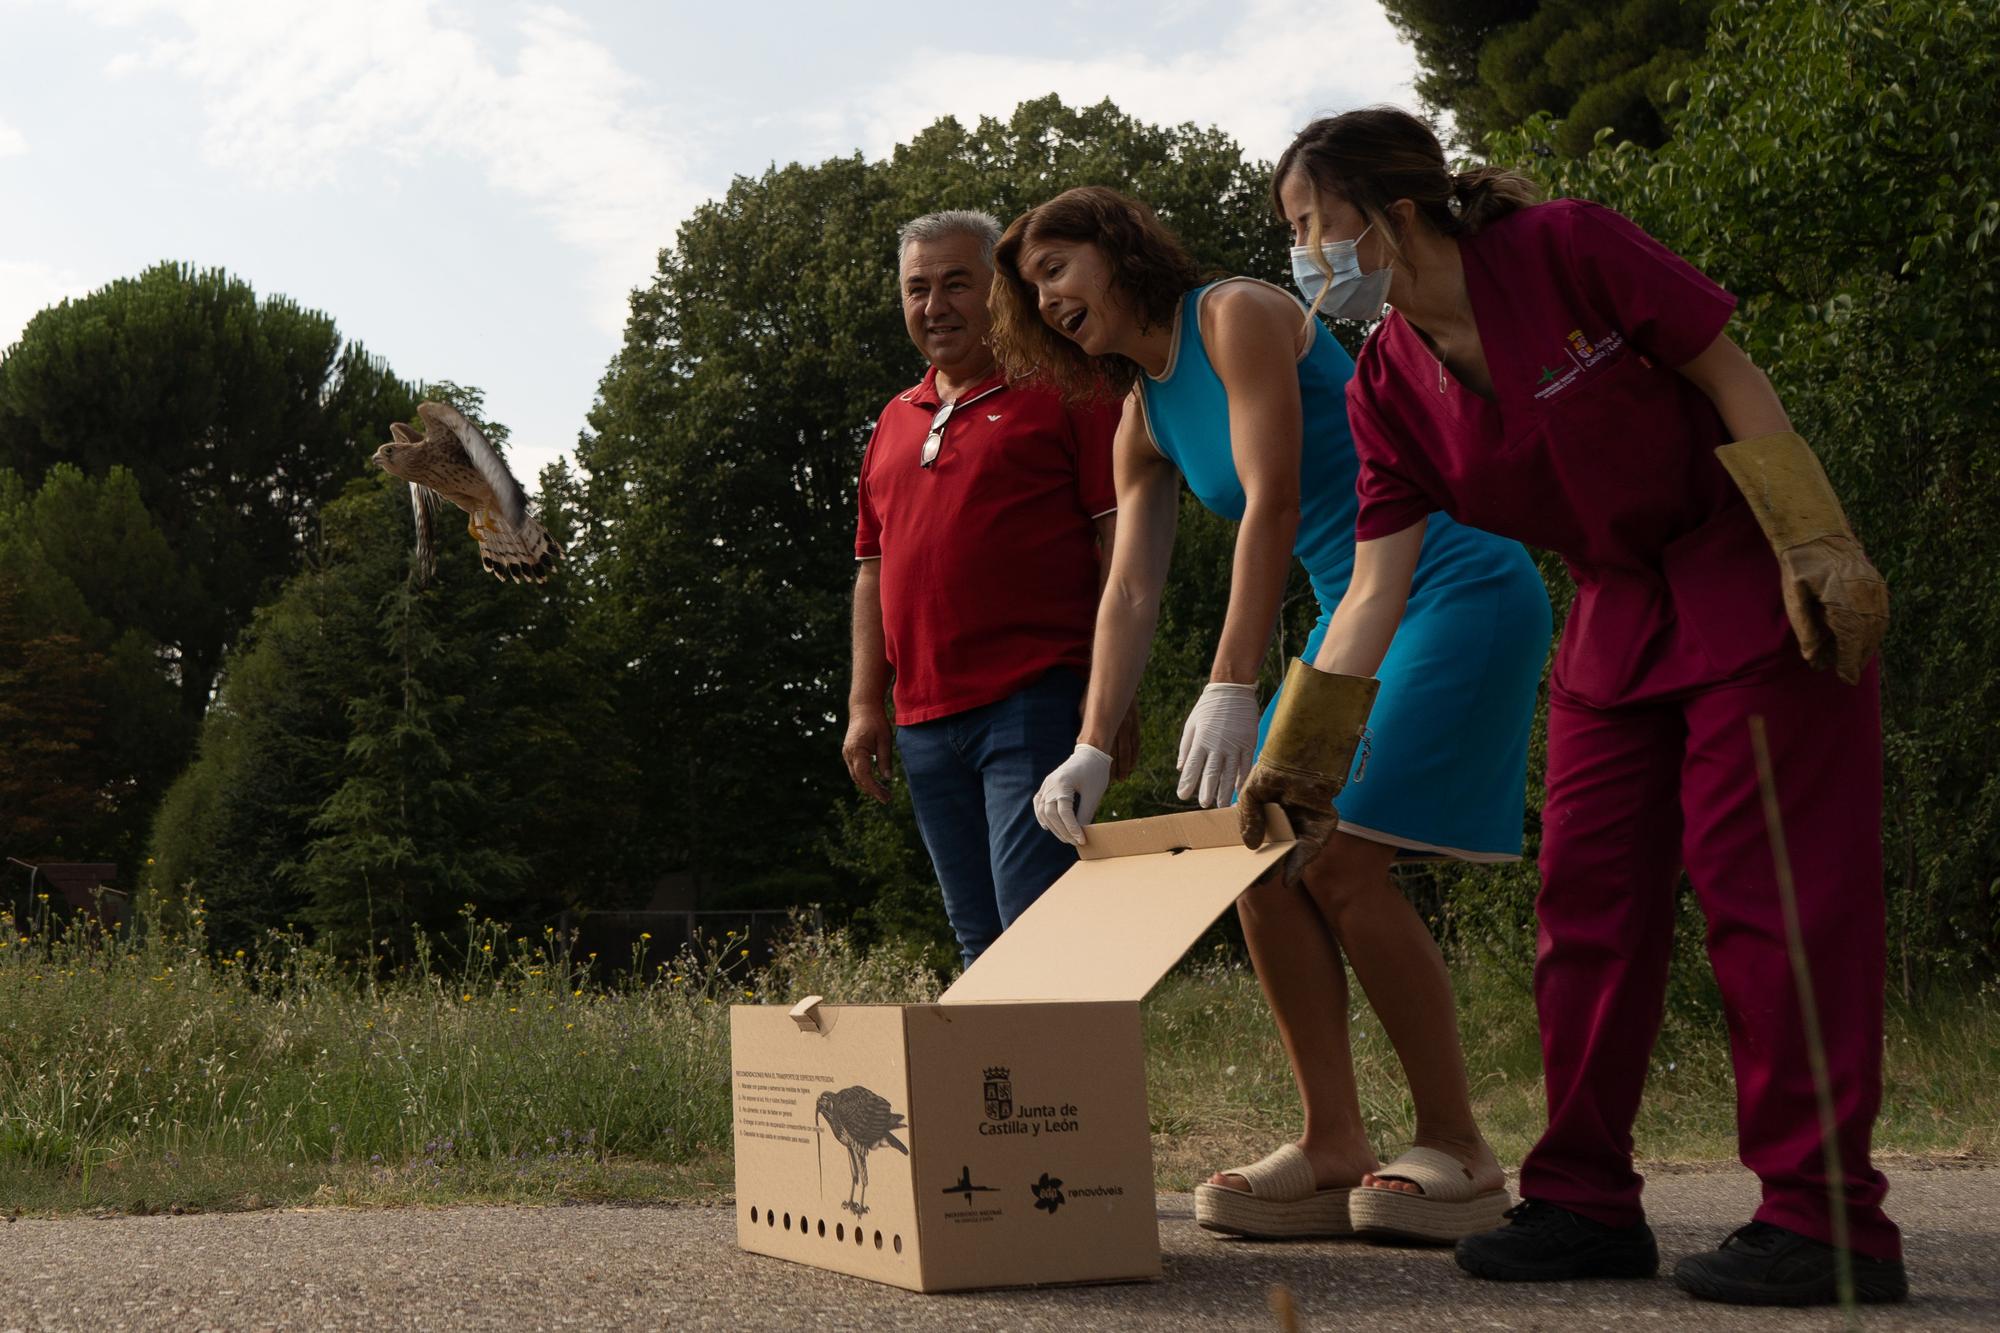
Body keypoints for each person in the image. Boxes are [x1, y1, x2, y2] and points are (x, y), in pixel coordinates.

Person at [1240, 107, 1902, 1306]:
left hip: (1744, 582)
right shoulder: (1386, 378)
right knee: (1584, 908)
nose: (1298, 255)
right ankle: (1585, 1199)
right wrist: (1302, 751)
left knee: (1772, 903)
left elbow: (1725, 372)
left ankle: (1823, 1217)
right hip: (1610, 619)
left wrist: (1815, 540)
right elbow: (1374, 583)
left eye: (1304, 224)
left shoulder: (1563, 247)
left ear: (1386, 211)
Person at [987, 186, 1550, 1244]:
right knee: (1254, 854)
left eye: (1056, 266)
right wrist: (1090, 743)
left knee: (1337, 862)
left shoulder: (1231, 313)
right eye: (1029, 289)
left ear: (1116, 249)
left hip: (1453, 587)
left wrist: (1231, 681)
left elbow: (1275, 495)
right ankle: (1332, 1141)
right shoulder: (1140, 418)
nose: (1046, 296)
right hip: (1355, 613)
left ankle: (1460, 1151)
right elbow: (1129, 593)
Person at [845, 209, 1133, 969]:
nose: (934, 306)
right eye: (917, 289)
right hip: (925, 723)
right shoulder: (892, 420)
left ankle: (1070, 1090)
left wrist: (1113, 696)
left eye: (955, 284)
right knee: (978, 935)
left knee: (1036, 923)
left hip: (1033, 704)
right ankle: (1005, 1092)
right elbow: (873, 569)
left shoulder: (1067, 385)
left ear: (999, 290)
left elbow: (1121, 548)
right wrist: (865, 703)